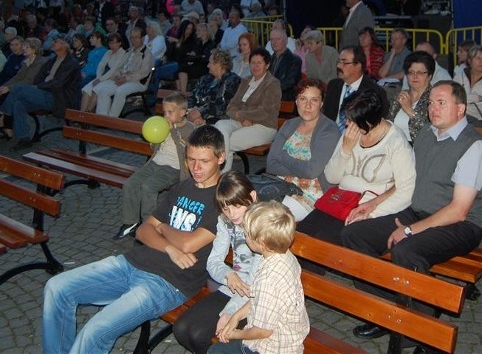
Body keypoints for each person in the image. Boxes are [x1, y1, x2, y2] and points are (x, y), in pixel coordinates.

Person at [42, 125, 224, 354]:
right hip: (130, 263)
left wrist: (162, 227)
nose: (195, 168)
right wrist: (169, 247)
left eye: (204, 161)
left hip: (166, 283)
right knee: (56, 288)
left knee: (96, 329)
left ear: (221, 157)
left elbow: (188, 244)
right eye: (190, 159)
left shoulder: (224, 198)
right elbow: (142, 230)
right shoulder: (183, 186)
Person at [342, 81, 482, 345]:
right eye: (431, 102)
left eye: (441, 103)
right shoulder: (426, 134)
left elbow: (459, 210)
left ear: (461, 109)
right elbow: (406, 182)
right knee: (353, 235)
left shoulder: (474, 146)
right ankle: (390, 309)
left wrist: (410, 230)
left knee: (406, 250)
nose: (433, 108)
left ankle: (421, 325)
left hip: (460, 225)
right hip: (417, 212)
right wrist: (374, 204)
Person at [297, 89, 416, 249]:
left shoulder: (396, 143)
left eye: (351, 120)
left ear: (369, 121)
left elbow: (406, 191)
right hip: (341, 200)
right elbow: (332, 178)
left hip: (368, 204)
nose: (347, 124)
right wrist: (345, 150)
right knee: (303, 233)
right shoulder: (351, 133)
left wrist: (372, 212)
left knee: (322, 243)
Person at [173, 172, 261, 354]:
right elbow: (213, 262)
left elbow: (257, 285)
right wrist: (229, 275)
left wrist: (229, 313)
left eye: (237, 206)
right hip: (233, 287)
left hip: (257, 299)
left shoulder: (264, 227)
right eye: (226, 209)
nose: (232, 214)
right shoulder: (226, 221)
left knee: (200, 335)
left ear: (252, 197)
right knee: (181, 329)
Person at [210, 201, 309, 354]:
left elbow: (262, 331)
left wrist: (235, 334)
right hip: (283, 335)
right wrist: (236, 316)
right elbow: (258, 298)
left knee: (215, 351)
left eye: (247, 234)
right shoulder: (283, 255)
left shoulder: (269, 280)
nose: (244, 235)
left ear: (261, 243)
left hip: (271, 347)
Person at [113, 93, 195, 240]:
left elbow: (187, 150)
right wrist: (155, 139)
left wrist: (173, 131)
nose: (166, 115)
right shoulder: (163, 124)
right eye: (164, 112)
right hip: (154, 163)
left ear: (182, 113)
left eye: (170, 112)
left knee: (148, 187)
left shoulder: (189, 128)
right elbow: (155, 146)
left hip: (174, 168)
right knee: (130, 184)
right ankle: (130, 223)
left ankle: (149, 227)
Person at [266, 79, 341, 218]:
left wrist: (284, 157)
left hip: (309, 192)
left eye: (314, 100)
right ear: (296, 102)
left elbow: (311, 171)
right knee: (249, 209)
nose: (308, 105)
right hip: (281, 184)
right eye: (303, 99)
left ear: (321, 103)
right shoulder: (289, 125)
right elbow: (270, 164)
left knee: (272, 218)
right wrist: (293, 174)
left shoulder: (329, 130)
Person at [0, 36, 81, 152]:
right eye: (54, 41)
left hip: (58, 98)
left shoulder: (71, 62)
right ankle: (24, 139)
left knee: (18, 89)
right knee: (18, 104)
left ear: (65, 45)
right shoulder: (52, 60)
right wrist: (39, 85)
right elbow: (38, 77)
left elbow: (58, 84)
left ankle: (0, 116)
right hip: (43, 93)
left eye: (57, 41)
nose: (53, 43)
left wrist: (39, 86)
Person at [215, 48, 281, 171]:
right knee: (220, 126)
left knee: (226, 141)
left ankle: (222, 174)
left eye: (259, 63)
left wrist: (242, 115)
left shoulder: (272, 83)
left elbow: (265, 111)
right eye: (252, 63)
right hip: (241, 122)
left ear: (267, 65)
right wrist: (242, 117)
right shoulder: (245, 80)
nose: (255, 66)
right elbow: (231, 106)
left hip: (264, 126)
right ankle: (223, 175)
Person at [322, 46, 388, 132]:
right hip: (331, 135)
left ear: (358, 66)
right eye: (338, 61)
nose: (338, 65)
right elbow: (326, 116)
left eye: (344, 63)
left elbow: (377, 125)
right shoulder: (333, 85)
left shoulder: (375, 92)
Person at [95, 28, 153, 118]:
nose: (134, 40)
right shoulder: (129, 51)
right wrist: (117, 76)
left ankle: (111, 119)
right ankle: (102, 118)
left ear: (142, 38)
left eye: (136, 37)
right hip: (124, 79)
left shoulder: (147, 54)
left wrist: (125, 79)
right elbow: (121, 67)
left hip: (138, 82)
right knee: (104, 91)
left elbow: (143, 74)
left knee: (120, 91)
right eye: (132, 37)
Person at [389, 51, 435, 144]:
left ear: (429, 76)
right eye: (411, 72)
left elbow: (431, 134)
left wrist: (409, 110)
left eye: (420, 73)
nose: (415, 76)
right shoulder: (399, 96)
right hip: (395, 146)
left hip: (420, 150)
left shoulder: (435, 99)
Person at [187, 49, 242, 126]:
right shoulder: (204, 79)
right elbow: (191, 97)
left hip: (219, 121)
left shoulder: (233, 80)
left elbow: (225, 105)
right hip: (195, 119)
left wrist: (201, 112)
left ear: (219, 64)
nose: (207, 65)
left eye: (210, 63)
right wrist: (192, 112)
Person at [453, 45, 482, 125]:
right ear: (470, 60)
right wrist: (476, 98)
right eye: (478, 58)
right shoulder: (459, 76)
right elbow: (452, 98)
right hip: (457, 118)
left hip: (479, 121)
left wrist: (460, 105)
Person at [80, 32, 127, 112]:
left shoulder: (123, 54)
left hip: (115, 79)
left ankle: (87, 114)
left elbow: (113, 70)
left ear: (119, 43)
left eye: (113, 43)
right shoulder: (109, 52)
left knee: (96, 90)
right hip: (105, 78)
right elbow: (101, 65)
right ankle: (81, 114)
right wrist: (98, 78)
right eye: (110, 43)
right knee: (87, 89)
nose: (111, 45)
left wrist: (100, 80)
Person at [178, 22, 215, 93]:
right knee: (180, 68)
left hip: (205, 68)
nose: (196, 32)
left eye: (198, 30)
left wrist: (195, 57)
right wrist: (199, 56)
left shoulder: (211, 44)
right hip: (196, 66)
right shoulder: (198, 43)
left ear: (205, 32)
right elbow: (188, 57)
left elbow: (206, 59)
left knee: (182, 68)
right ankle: (181, 91)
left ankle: (183, 92)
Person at [267, 29, 302, 101]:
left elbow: (290, 82)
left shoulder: (294, 60)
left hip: (285, 98)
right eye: (272, 39)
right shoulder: (268, 59)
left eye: (278, 39)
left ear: (286, 41)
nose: (274, 42)